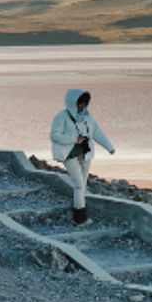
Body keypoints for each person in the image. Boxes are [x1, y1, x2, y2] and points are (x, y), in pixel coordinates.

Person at [49, 88, 115, 225]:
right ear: (72, 102)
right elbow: (54, 136)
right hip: (69, 154)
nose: (82, 106)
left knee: (82, 185)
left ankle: (79, 212)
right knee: (78, 184)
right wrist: (74, 139)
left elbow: (97, 133)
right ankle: (79, 217)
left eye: (84, 103)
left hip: (85, 153)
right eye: (79, 103)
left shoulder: (88, 117)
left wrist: (109, 147)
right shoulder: (61, 117)